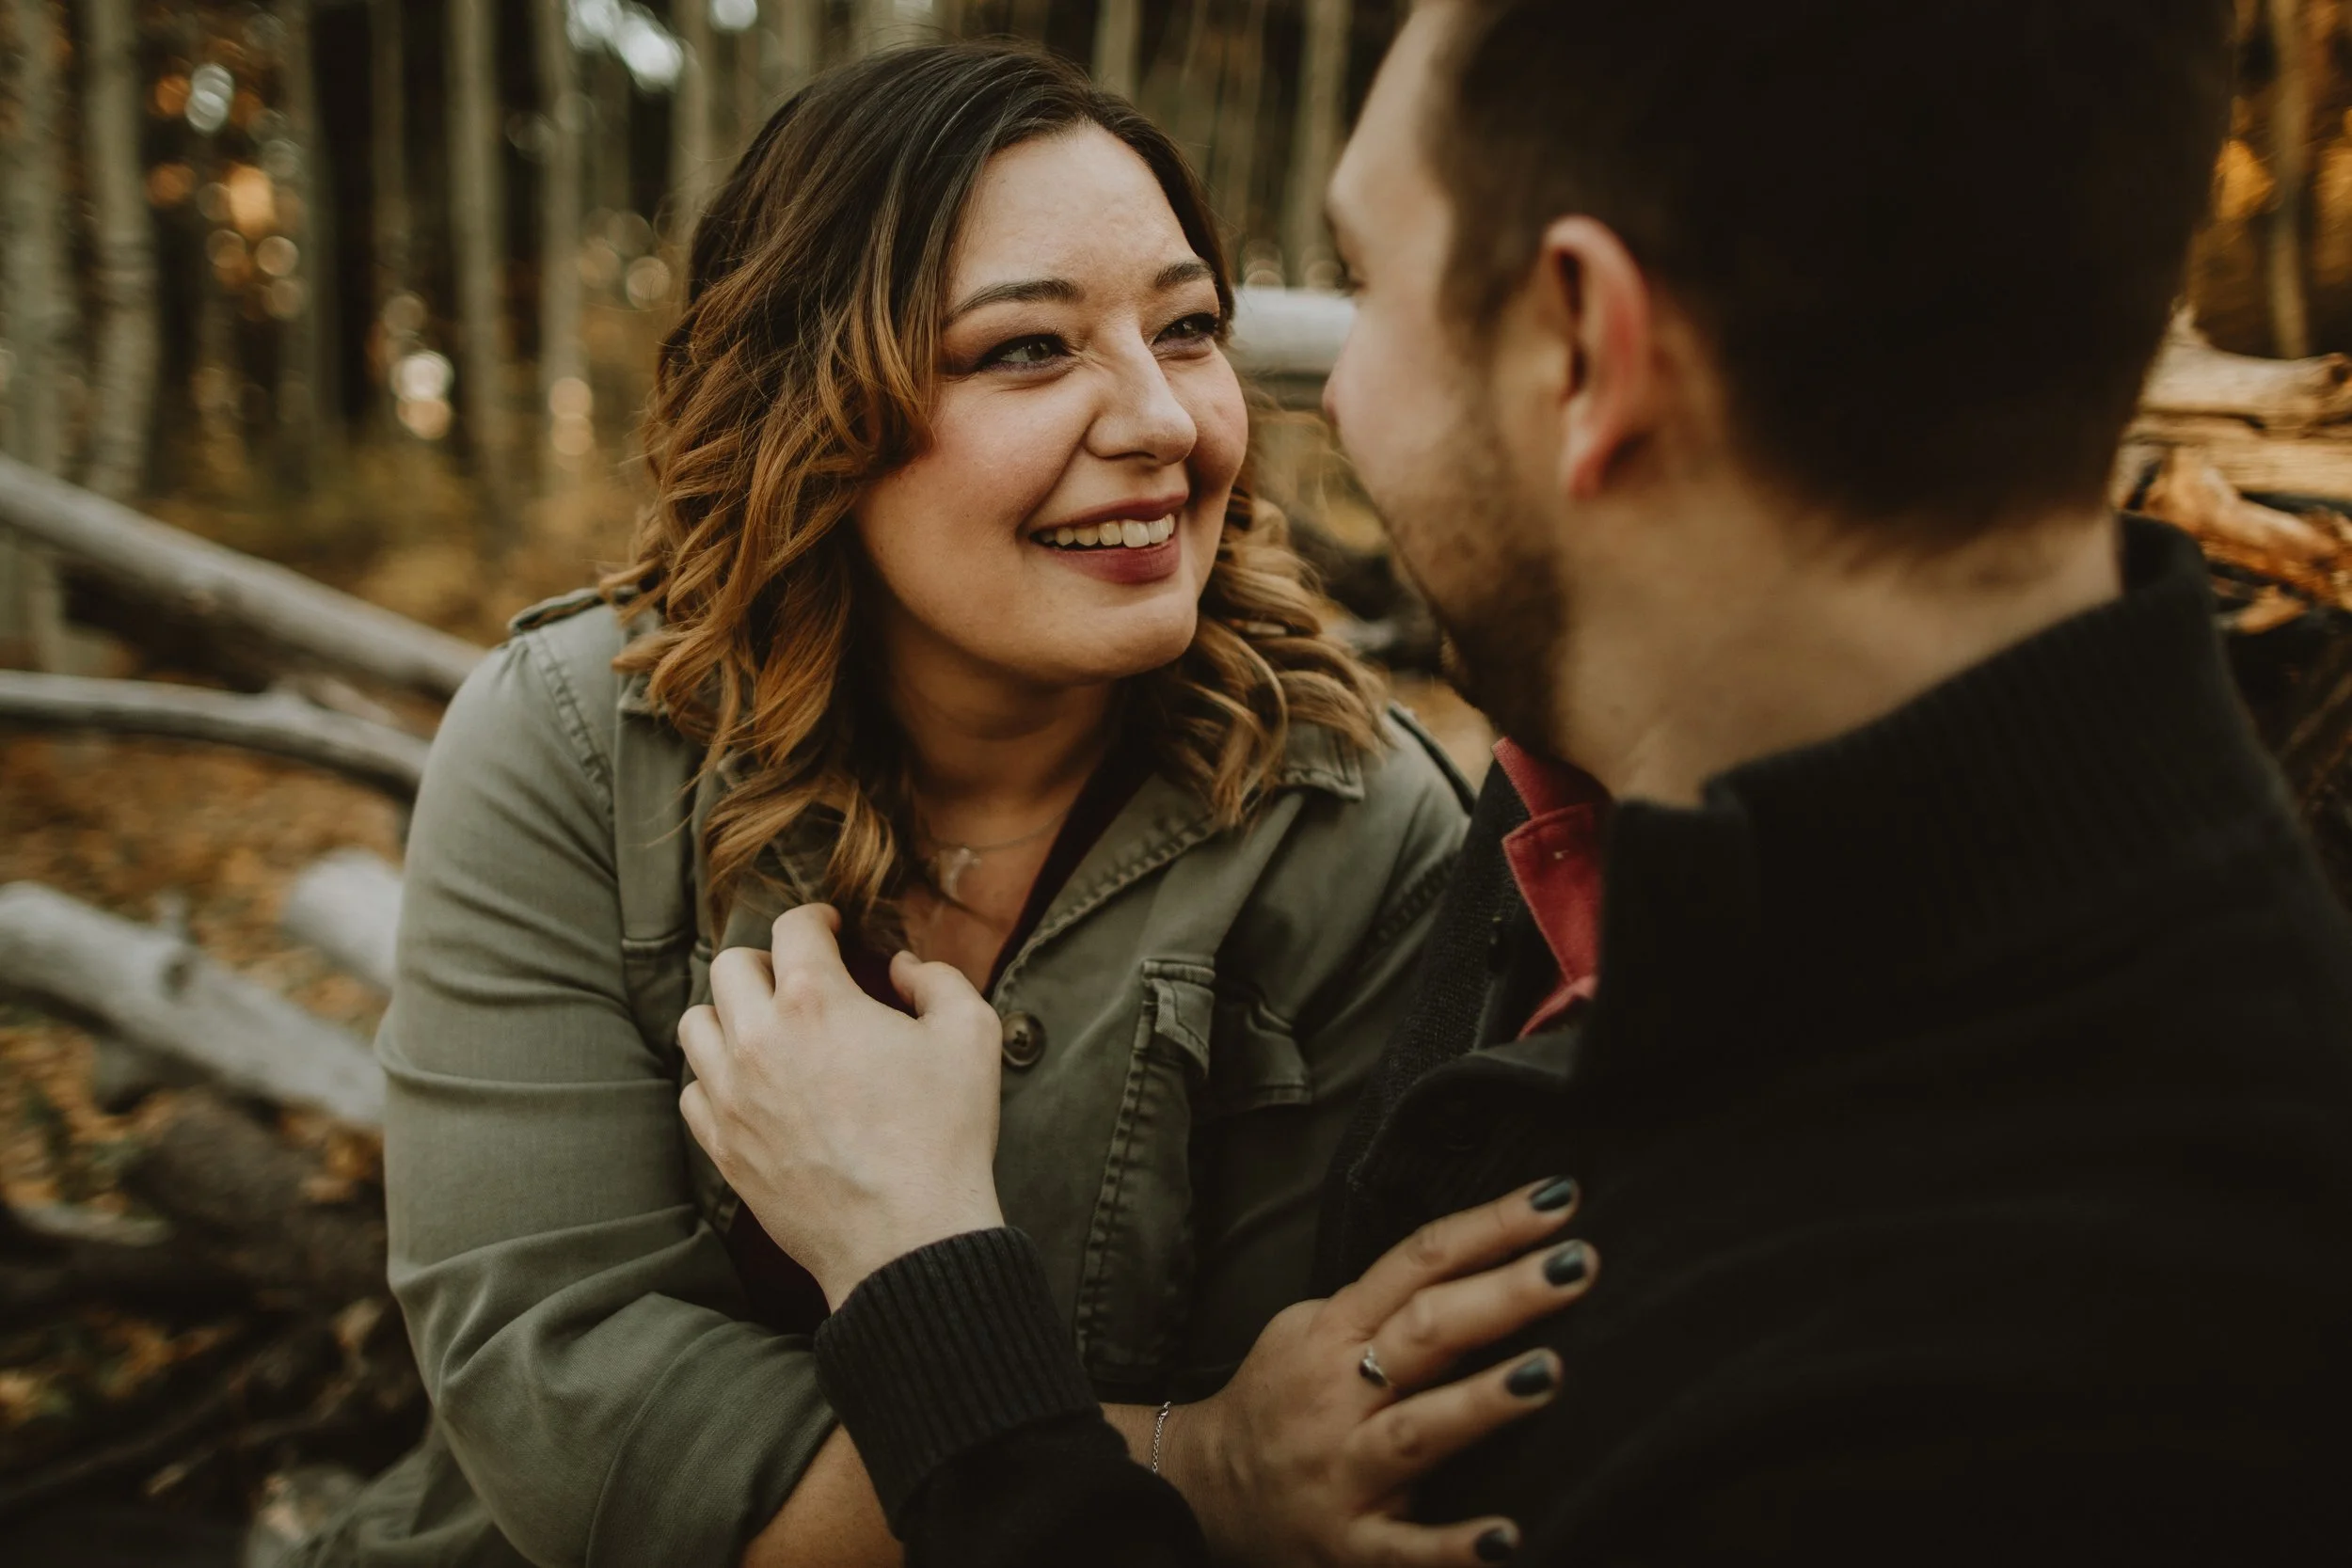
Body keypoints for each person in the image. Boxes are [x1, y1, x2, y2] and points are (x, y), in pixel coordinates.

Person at [681, 0, 2352, 1563]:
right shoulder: (1599, 824)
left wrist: (921, 1279)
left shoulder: (2061, 1367)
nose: (1310, 396)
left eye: (1373, 284)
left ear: (1584, 346)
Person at [298, 44, 1486, 1568]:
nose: (1165, 420)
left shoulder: (1355, 822)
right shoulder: (576, 750)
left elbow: (1342, 1417)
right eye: (1025, 351)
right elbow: (571, 1413)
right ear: (815, 412)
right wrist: (1204, 1467)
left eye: (1187, 329)